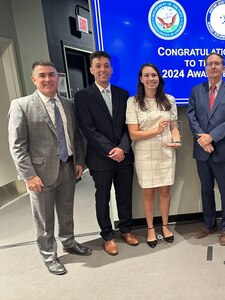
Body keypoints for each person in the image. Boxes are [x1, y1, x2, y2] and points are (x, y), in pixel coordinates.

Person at [8, 60, 92, 275]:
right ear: (34, 79)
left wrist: (79, 161)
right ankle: (49, 255)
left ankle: (69, 241)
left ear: (58, 78)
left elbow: (76, 136)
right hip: (39, 174)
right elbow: (17, 145)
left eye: (51, 75)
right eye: (42, 75)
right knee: (44, 218)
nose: (47, 79)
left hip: (67, 167)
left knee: (66, 211)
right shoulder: (21, 105)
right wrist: (29, 176)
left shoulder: (69, 104)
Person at [74, 51, 138, 256]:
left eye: (106, 65)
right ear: (91, 69)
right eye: (98, 66)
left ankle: (126, 230)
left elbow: (129, 127)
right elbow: (87, 129)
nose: (103, 69)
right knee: (102, 198)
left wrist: (123, 148)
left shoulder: (123, 94)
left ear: (111, 69)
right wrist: (111, 150)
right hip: (100, 158)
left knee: (125, 195)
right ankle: (108, 236)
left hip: (124, 156)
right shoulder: (83, 96)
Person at [187, 53, 225, 246]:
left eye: (217, 63)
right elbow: (191, 116)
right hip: (202, 151)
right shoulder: (196, 90)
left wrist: (212, 137)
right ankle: (209, 224)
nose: (213, 67)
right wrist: (203, 139)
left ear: (223, 67)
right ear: (205, 68)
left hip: (223, 150)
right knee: (205, 190)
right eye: (209, 64)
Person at [126, 63, 181, 248]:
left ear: (159, 78)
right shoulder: (132, 102)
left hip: (165, 152)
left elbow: (174, 127)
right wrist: (156, 131)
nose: (151, 79)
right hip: (144, 154)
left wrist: (177, 141)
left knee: (165, 192)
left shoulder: (169, 100)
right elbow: (133, 134)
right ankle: (150, 228)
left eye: (154, 75)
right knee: (148, 192)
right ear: (141, 79)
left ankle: (165, 226)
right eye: (147, 75)